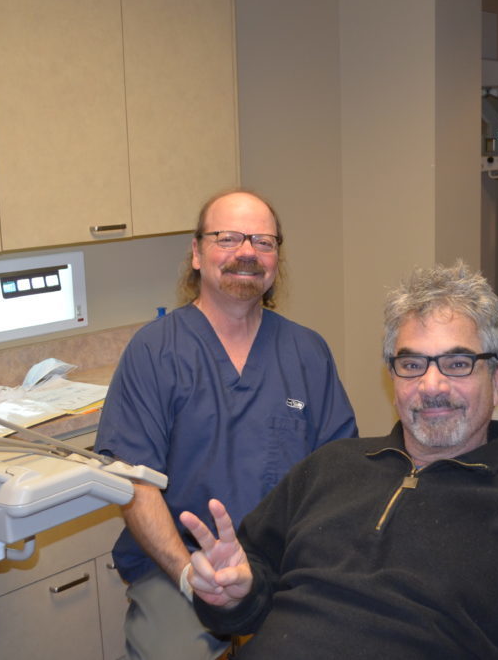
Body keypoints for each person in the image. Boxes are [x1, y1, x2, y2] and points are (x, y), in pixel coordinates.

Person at [178, 261, 498, 659]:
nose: (431, 386)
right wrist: (231, 595)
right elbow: (244, 605)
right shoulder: (329, 469)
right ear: (392, 376)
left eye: (457, 364)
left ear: (497, 378)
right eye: (412, 365)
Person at [94, 190, 357, 660]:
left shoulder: (307, 352)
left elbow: (339, 474)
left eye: (263, 241)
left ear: (276, 257)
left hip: (285, 563)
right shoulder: (154, 352)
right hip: (179, 560)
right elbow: (133, 482)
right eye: (228, 238)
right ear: (196, 253)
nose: (247, 253)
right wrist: (187, 573)